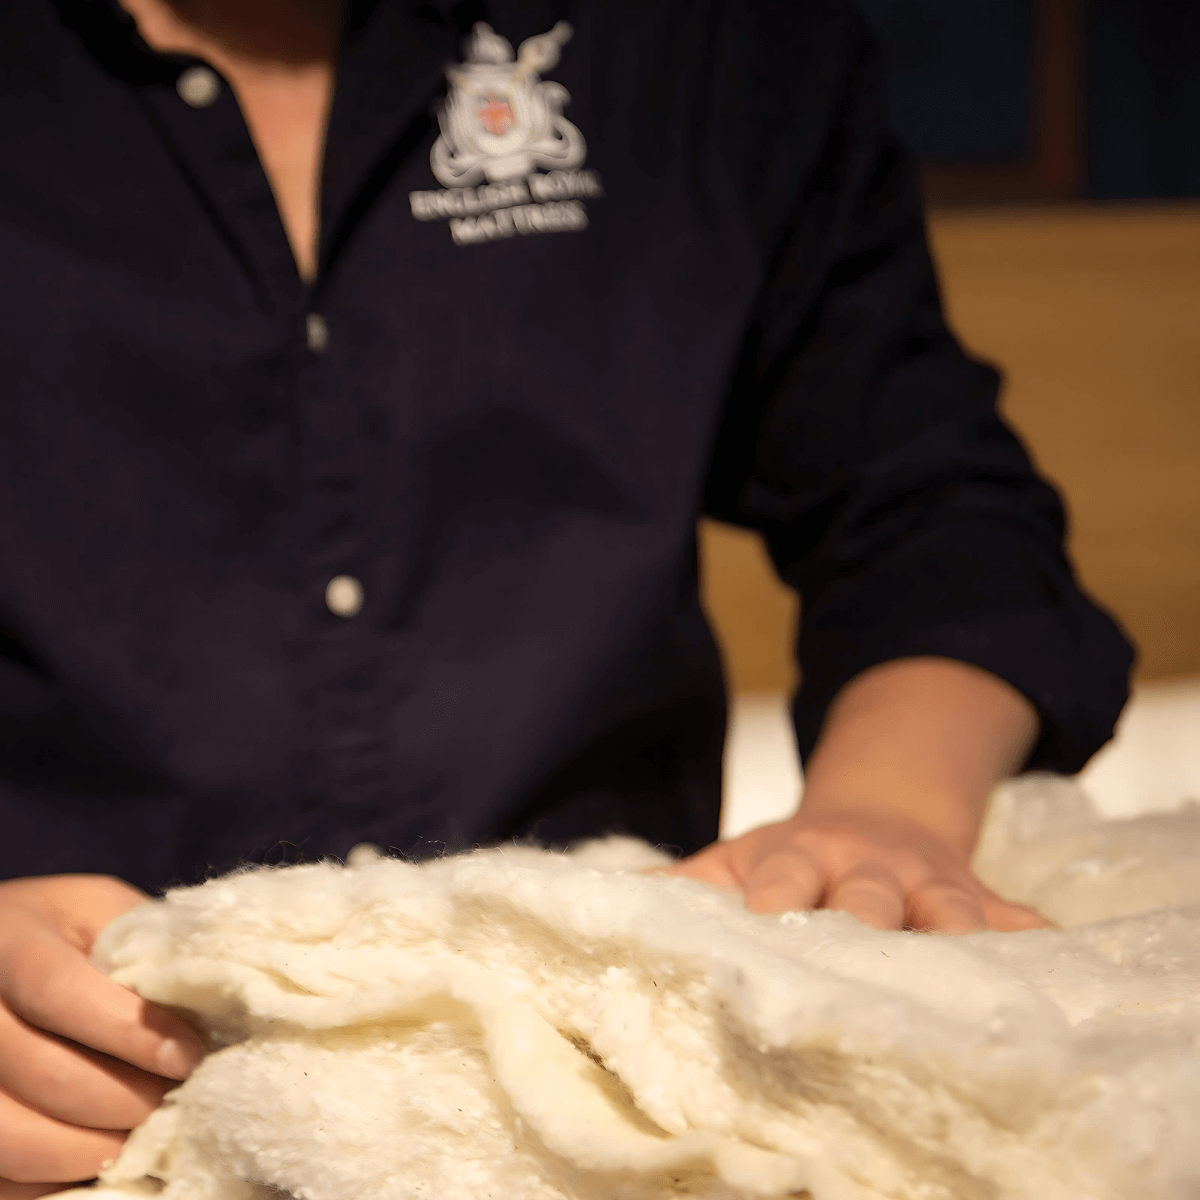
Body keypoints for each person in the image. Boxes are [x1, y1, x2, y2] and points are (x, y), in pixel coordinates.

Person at [0, 0, 1133, 1193]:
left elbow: (937, 517)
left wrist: (886, 812)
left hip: (614, 1083)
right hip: (85, 1104)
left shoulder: (703, 43)